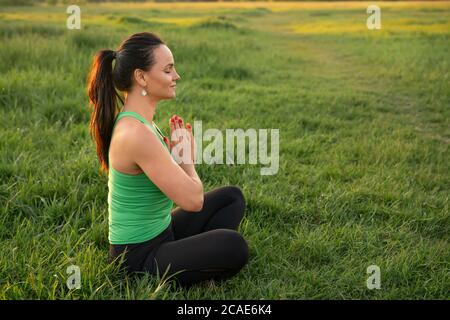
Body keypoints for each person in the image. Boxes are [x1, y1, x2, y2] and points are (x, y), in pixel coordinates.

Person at [86, 32, 249, 287]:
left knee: (231, 198)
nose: (177, 76)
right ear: (141, 77)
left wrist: (175, 156)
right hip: (138, 258)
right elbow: (193, 201)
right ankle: (198, 273)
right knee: (234, 245)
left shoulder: (140, 122)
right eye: (168, 70)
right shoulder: (136, 134)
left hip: (162, 232)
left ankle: (197, 268)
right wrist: (186, 161)